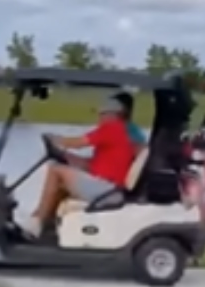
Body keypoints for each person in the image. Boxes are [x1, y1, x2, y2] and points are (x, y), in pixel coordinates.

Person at [19, 94, 136, 238]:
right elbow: (90, 163)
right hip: (106, 186)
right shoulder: (119, 133)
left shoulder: (112, 128)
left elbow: (78, 143)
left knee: (55, 171)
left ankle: (36, 222)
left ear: (112, 114)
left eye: (102, 114)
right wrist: (67, 157)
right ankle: (44, 225)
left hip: (107, 189)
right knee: (60, 184)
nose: (99, 118)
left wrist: (54, 138)